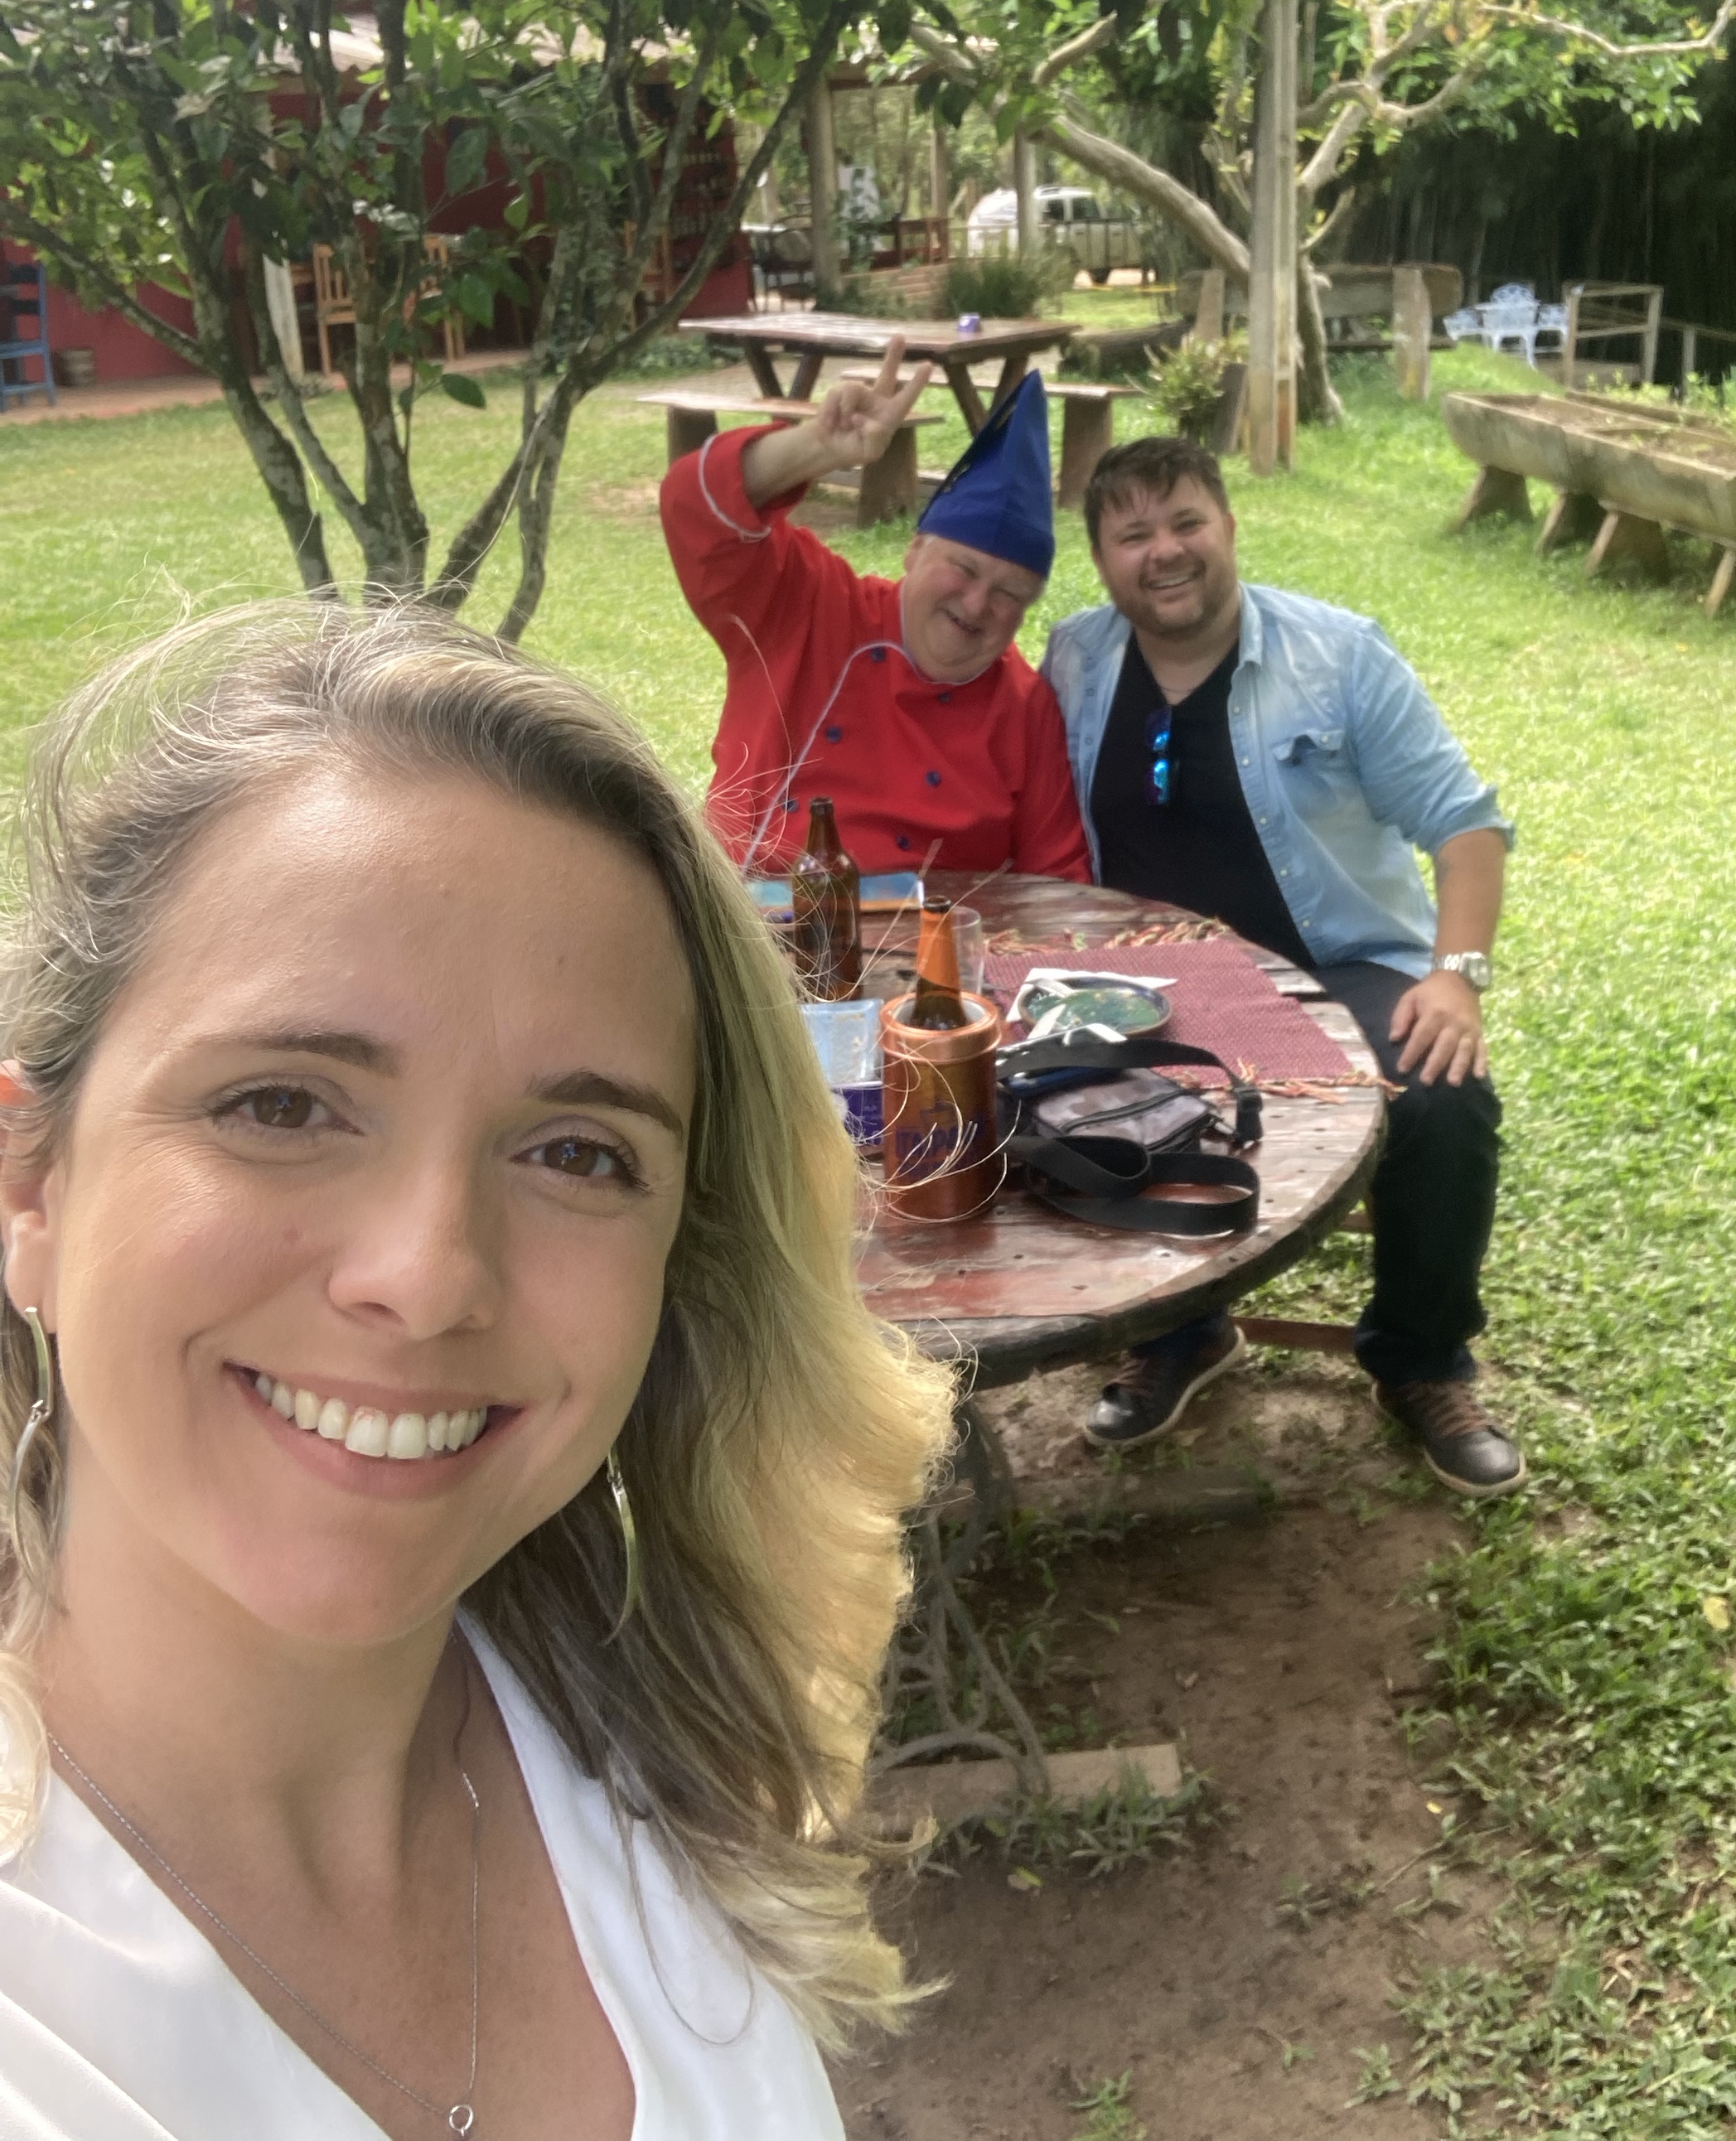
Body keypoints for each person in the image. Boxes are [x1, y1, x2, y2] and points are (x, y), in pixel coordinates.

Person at [0, 602, 954, 2140]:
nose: (431, 1271)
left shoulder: (654, 1752)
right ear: (29, 1188)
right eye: (282, 1104)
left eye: (576, 1151)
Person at [1040, 436, 1523, 1496]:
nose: (1165, 552)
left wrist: (1455, 974)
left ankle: (1421, 1360)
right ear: (1102, 560)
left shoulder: (1337, 656)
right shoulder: (1074, 659)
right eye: (1132, 535)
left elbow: (1466, 826)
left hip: (1336, 965)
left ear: (1227, 524)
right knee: (1060, 1083)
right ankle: (1180, 1330)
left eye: (1185, 522)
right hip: (1159, 982)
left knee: (1442, 1094)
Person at [660, 341, 1089, 880]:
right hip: (756, 918)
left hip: (941, 935)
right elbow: (693, 505)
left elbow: (1059, 879)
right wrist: (814, 448)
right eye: (964, 568)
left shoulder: (1024, 707)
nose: (977, 604)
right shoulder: (809, 603)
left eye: (1010, 594)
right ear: (914, 549)